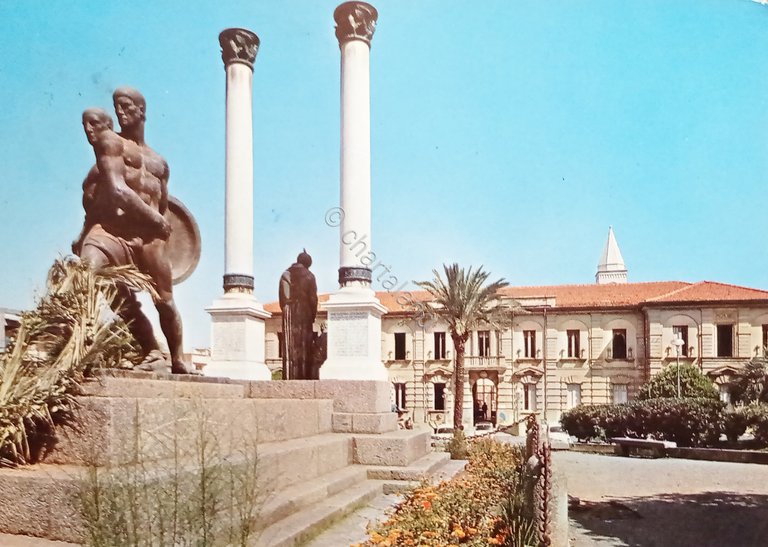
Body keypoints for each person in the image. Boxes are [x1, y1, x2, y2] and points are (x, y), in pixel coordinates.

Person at [74, 88, 192, 374]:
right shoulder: (110, 142)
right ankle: (82, 347)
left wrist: (158, 225)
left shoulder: (161, 163)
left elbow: (164, 205)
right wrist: (83, 235)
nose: (120, 112)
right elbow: (116, 189)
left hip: (148, 238)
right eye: (117, 107)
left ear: (142, 110)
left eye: (126, 106)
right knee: (86, 276)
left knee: (164, 301)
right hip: (113, 232)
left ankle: (176, 358)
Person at [278, 250, 318, 379]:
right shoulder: (310, 276)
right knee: (304, 344)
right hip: (305, 312)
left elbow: (284, 297)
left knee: (290, 344)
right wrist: (312, 314)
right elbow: (313, 298)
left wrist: (287, 309)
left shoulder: (286, 274)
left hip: (289, 312)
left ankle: (289, 375)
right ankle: (304, 375)